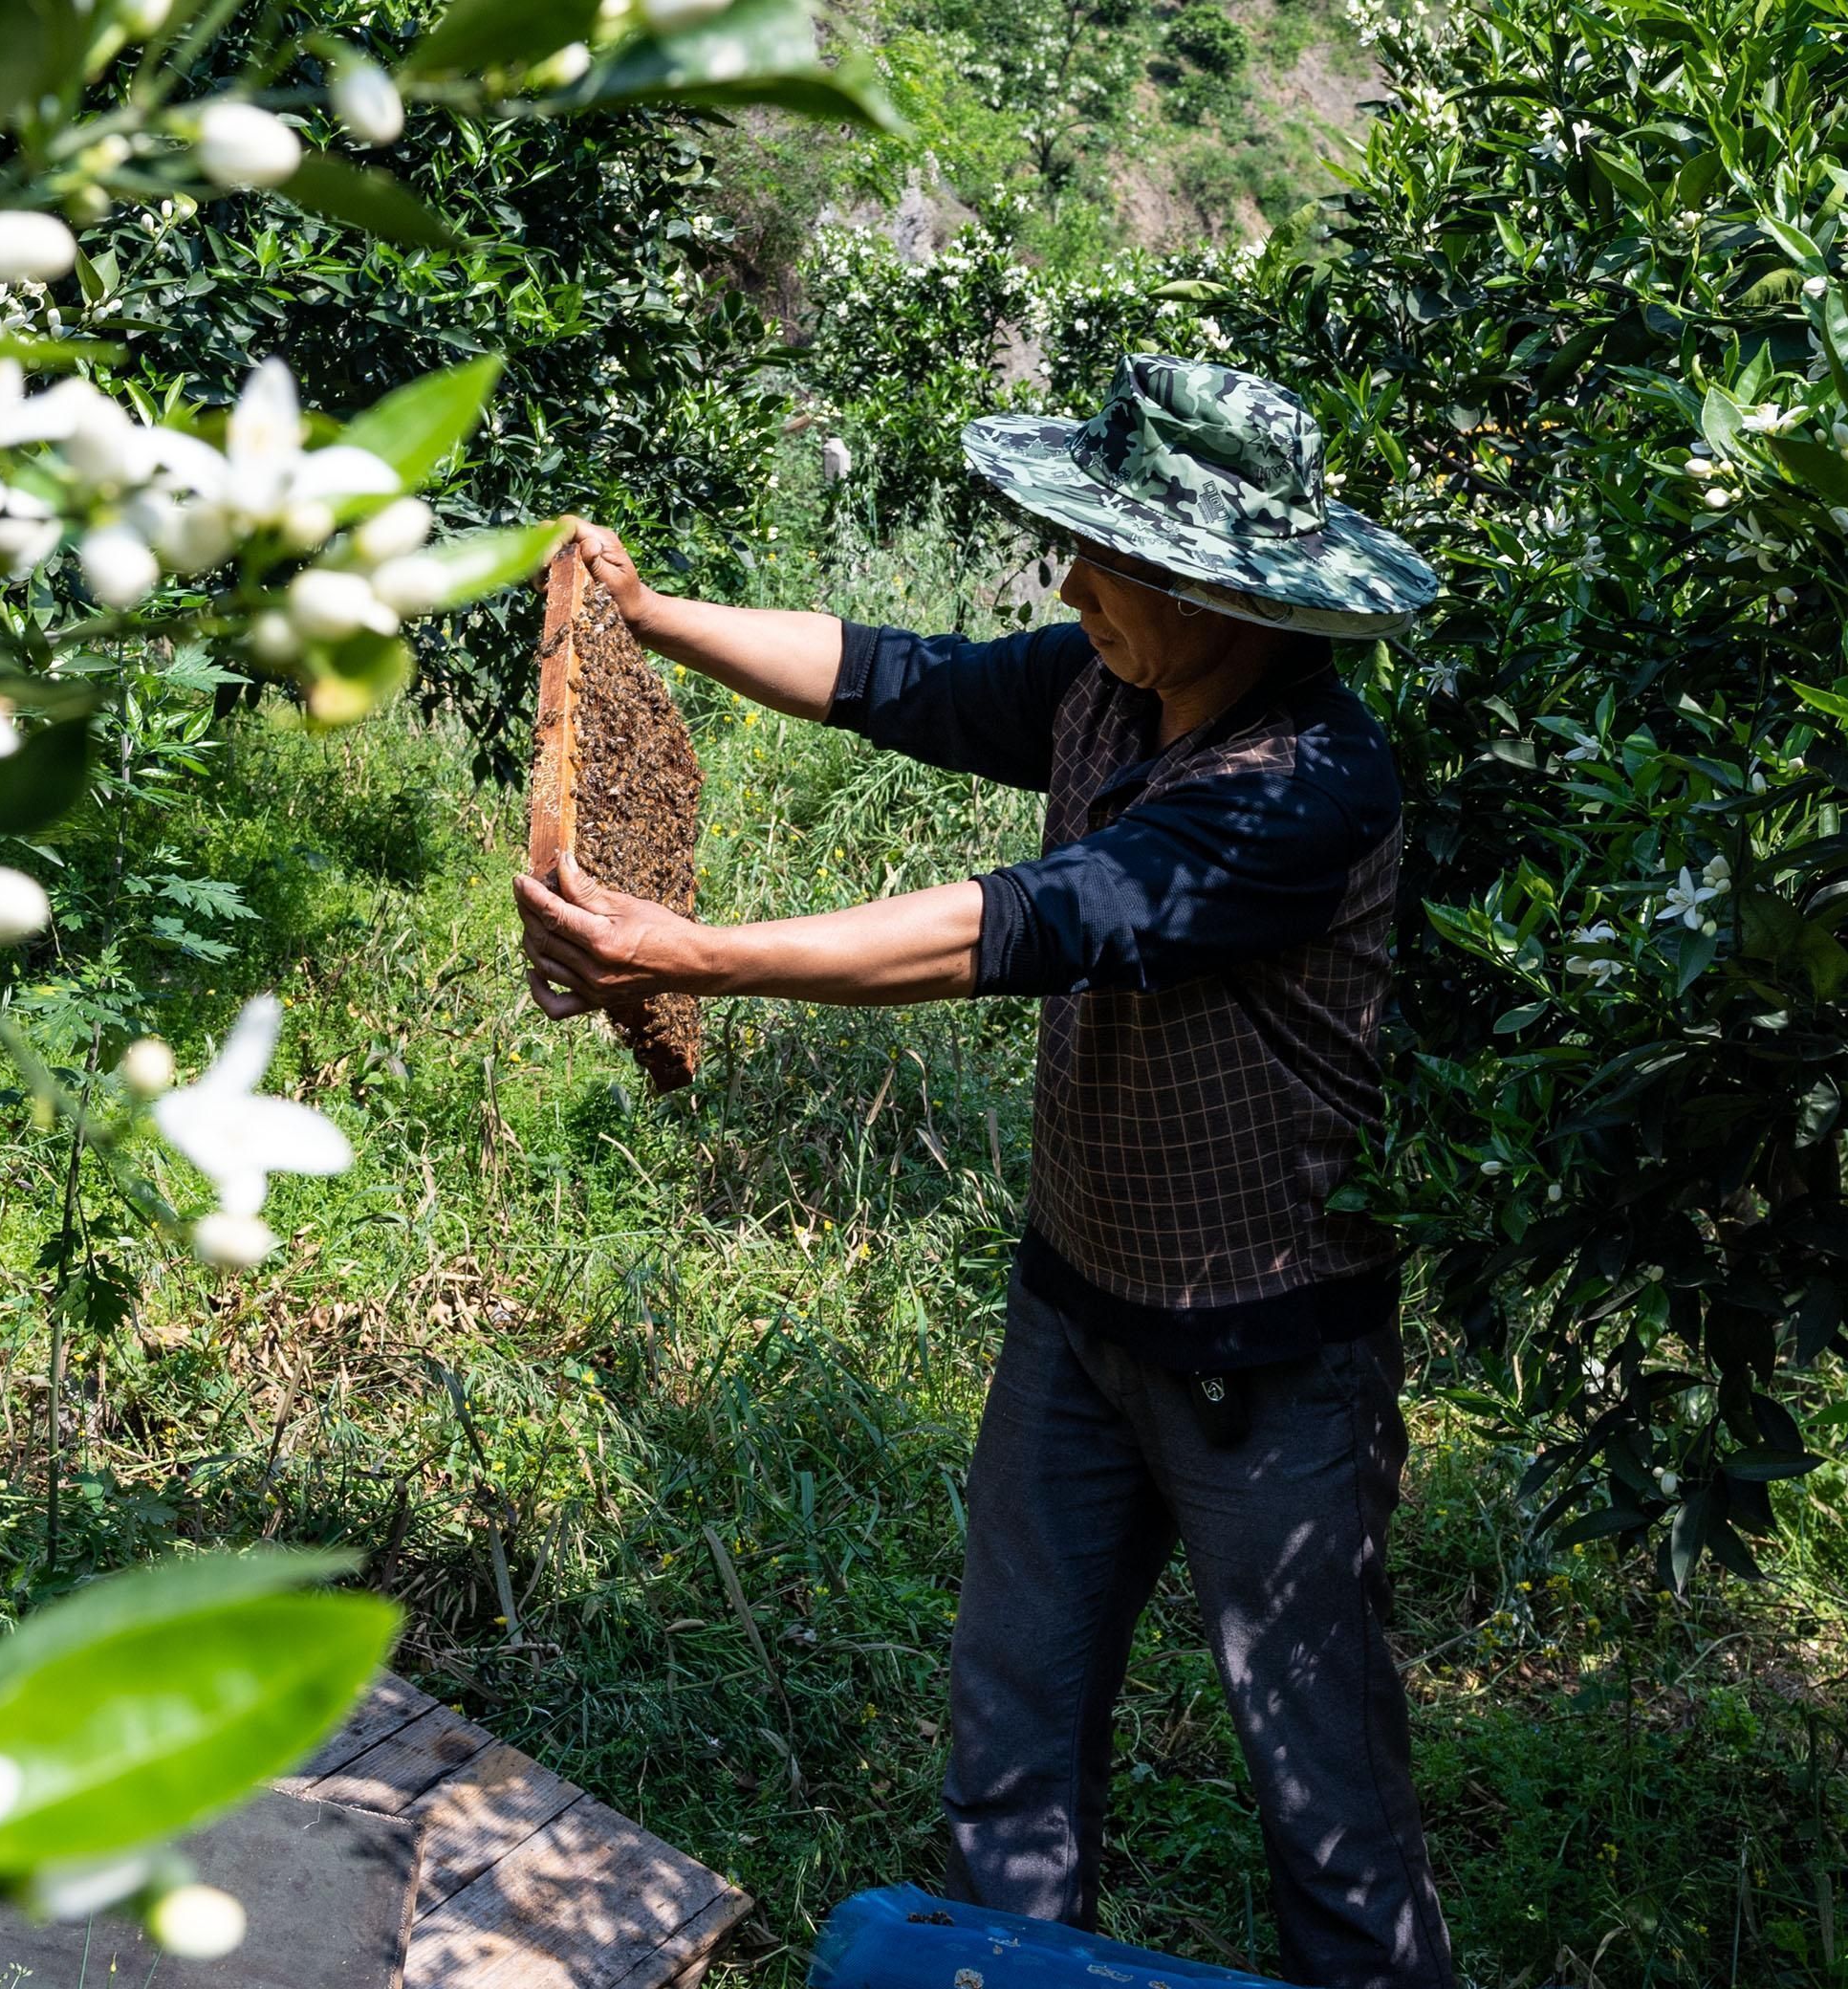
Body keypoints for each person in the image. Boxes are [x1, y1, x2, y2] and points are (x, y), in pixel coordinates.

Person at [512, 355, 1454, 1989]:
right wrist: (655, 621)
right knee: (1012, 1737)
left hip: (1269, 1356)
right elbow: (899, 676)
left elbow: (1022, 925)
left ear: (1218, 590)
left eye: (1106, 556)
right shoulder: (1117, 684)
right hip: (1078, 1312)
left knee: (1328, 1798)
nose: (1070, 580)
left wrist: (698, 954)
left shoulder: (1301, 782)